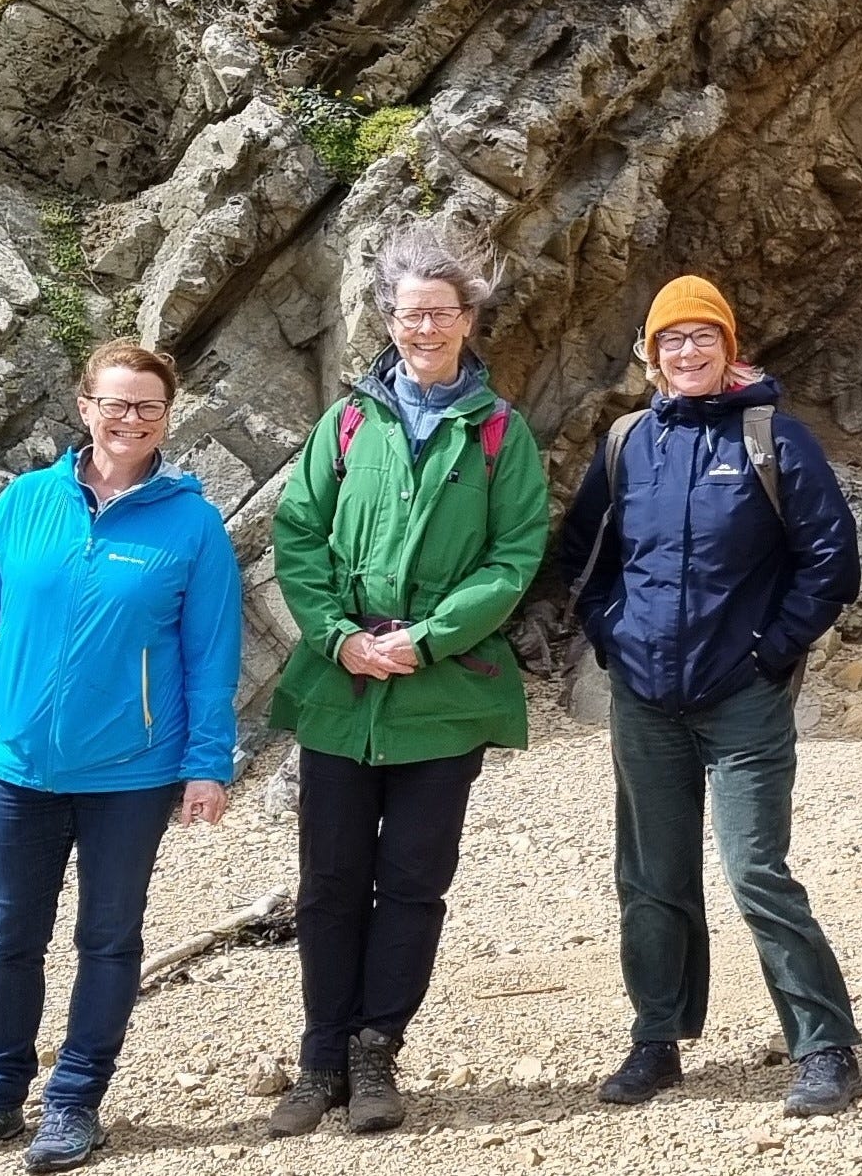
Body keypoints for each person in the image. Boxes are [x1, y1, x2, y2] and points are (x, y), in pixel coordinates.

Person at [0, 342, 243, 1172]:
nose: (130, 419)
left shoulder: (193, 524)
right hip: (20, 765)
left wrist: (208, 762)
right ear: (85, 406)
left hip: (131, 772)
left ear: (167, 416)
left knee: (107, 938)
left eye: (148, 406)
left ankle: (73, 1103)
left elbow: (211, 653)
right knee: (8, 938)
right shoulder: (26, 499)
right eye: (115, 403)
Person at [551, 275, 862, 1115]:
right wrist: (614, 635)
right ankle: (656, 1038)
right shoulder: (627, 443)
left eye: (703, 336)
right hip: (644, 698)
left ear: (729, 347)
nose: (686, 351)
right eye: (671, 339)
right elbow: (583, 557)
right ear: (651, 355)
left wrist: (769, 650)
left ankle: (825, 1044)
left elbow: (831, 563)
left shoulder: (774, 438)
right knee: (650, 874)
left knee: (755, 867)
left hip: (742, 700)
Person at [263, 223, 550, 1138]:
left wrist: (426, 639)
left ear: (469, 317)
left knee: (414, 881)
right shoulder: (348, 421)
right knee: (328, 881)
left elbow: (513, 557)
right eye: (408, 313)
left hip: (443, 694)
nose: (424, 327)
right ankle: (320, 1057)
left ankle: (374, 1050)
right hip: (340, 690)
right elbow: (298, 534)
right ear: (387, 318)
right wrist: (339, 636)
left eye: (441, 312)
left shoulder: (501, 434)